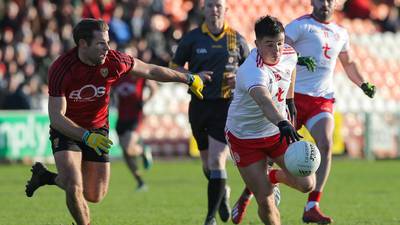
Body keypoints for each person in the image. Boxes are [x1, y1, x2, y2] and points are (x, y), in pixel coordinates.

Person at [24, 18, 209, 225]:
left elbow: (150, 70)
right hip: (68, 130)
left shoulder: (114, 61)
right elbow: (57, 117)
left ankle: (45, 177)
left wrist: (188, 78)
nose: (107, 48)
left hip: (98, 128)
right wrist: (85, 136)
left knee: (94, 195)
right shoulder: (61, 68)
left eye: (108, 42)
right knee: (75, 186)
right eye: (101, 43)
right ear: (83, 44)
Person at [285, 0, 376, 223]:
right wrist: (298, 57)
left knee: (325, 143)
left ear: (335, 3)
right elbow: (279, 49)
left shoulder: (340, 32)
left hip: (321, 99)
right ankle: (250, 192)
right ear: (312, 2)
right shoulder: (299, 26)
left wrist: (363, 84)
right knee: (272, 151)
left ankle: (312, 205)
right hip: (292, 97)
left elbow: (349, 63)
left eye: (329, 0)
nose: (325, 3)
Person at [225, 15, 316, 225]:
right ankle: (261, 186)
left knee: (307, 183)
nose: (277, 50)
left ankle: (270, 177)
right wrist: (282, 121)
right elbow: (264, 101)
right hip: (244, 137)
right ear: (256, 44)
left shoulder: (288, 53)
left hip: (275, 132)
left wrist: (290, 99)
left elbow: (291, 66)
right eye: (269, 44)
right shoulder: (252, 70)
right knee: (265, 201)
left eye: (280, 43)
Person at [169, 0, 250, 224]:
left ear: (226, 10)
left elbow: (253, 69)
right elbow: (173, 67)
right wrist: (192, 77)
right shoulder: (192, 38)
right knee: (208, 165)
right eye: (210, 5)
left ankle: (209, 218)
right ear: (204, 10)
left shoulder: (237, 39)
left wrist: (240, 78)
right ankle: (222, 192)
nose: (214, 9)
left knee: (216, 161)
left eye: (218, 6)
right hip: (198, 105)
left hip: (225, 106)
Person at [113, 74, 158, 191]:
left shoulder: (138, 73)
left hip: (135, 118)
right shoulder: (117, 76)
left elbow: (154, 87)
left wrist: (145, 101)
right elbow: (110, 91)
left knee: (128, 148)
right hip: (121, 118)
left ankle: (144, 150)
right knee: (126, 154)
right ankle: (140, 181)